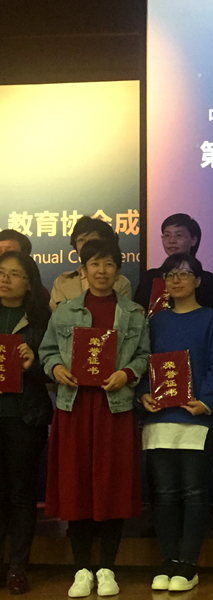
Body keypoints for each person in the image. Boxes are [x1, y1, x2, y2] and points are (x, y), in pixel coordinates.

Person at [38, 238, 149, 598]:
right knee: (77, 486)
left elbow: (144, 356)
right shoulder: (65, 311)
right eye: (95, 265)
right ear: (83, 271)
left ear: (118, 271)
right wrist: (55, 367)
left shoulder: (134, 313)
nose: (102, 271)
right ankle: (82, 569)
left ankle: (108, 568)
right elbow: (47, 351)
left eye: (109, 264)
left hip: (114, 410)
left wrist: (127, 374)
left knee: (111, 486)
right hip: (74, 409)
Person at [136, 253, 213, 592]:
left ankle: (188, 563)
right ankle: (168, 561)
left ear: (198, 280)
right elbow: (144, 364)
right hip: (160, 420)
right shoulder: (155, 322)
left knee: (194, 493)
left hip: (196, 419)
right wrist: (143, 394)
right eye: (170, 275)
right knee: (163, 494)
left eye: (184, 274)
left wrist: (207, 401)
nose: (176, 280)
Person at [0, 252, 52, 594]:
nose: (5, 279)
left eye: (14, 274)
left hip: (24, 417)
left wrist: (33, 364)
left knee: (21, 495)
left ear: (29, 283)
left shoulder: (42, 322)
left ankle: (18, 567)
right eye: (1, 272)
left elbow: (56, 370)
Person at [133, 214, 213, 311]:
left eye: (179, 235)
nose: (171, 241)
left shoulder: (207, 280)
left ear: (194, 240)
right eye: (167, 235)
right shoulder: (149, 278)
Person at [50, 217, 131, 311]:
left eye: (93, 239)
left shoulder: (121, 283)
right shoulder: (62, 282)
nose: (86, 245)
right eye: (81, 240)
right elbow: (57, 316)